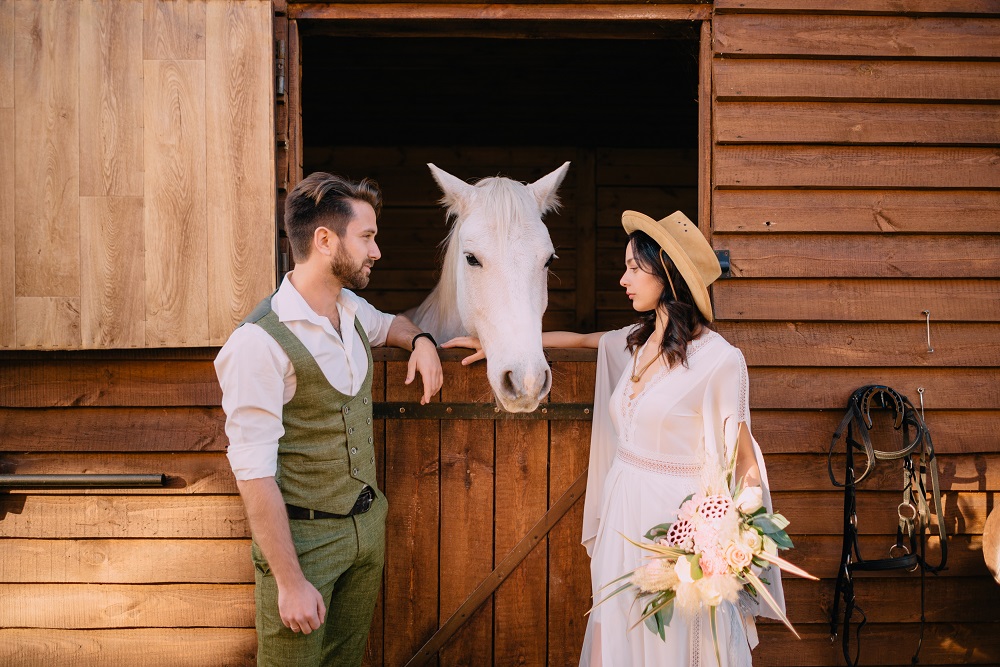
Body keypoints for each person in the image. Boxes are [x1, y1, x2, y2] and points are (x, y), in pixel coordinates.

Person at [445, 210, 784, 666]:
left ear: (666, 273)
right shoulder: (636, 341)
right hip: (621, 516)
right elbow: (582, 340)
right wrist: (507, 344)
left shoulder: (721, 360)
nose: (623, 278)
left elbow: (744, 464)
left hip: (676, 529)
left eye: (633, 267)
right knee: (616, 634)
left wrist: (728, 542)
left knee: (674, 639)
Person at [215, 172, 443, 667]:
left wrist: (420, 341)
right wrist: (290, 581)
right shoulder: (258, 343)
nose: (376, 251)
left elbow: (393, 326)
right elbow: (253, 473)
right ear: (325, 240)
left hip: (366, 529)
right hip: (303, 544)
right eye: (367, 237)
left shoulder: (350, 307)